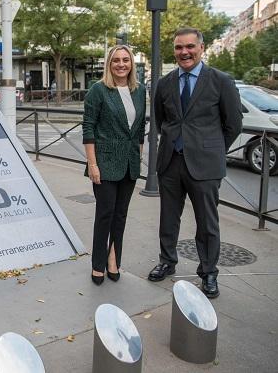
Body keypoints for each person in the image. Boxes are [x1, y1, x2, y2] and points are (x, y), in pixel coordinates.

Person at [148, 27, 242, 299]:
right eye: (179, 47)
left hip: (205, 166)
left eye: (190, 46)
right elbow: (160, 119)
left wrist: (212, 150)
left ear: (201, 48)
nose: (184, 52)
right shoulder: (164, 83)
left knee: (207, 222)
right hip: (170, 163)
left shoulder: (221, 80)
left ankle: (209, 272)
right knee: (168, 218)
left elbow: (233, 124)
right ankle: (167, 261)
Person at [83, 45, 146, 285]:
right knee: (105, 215)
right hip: (105, 163)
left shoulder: (139, 91)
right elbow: (88, 127)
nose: (121, 64)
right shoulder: (98, 90)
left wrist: (138, 157)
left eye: (126, 60)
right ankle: (98, 264)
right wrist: (93, 164)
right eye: (116, 60)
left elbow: (139, 128)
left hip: (129, 164)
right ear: (109, 64)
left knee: (120, 215)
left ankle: (113, 259)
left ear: (131, 64)